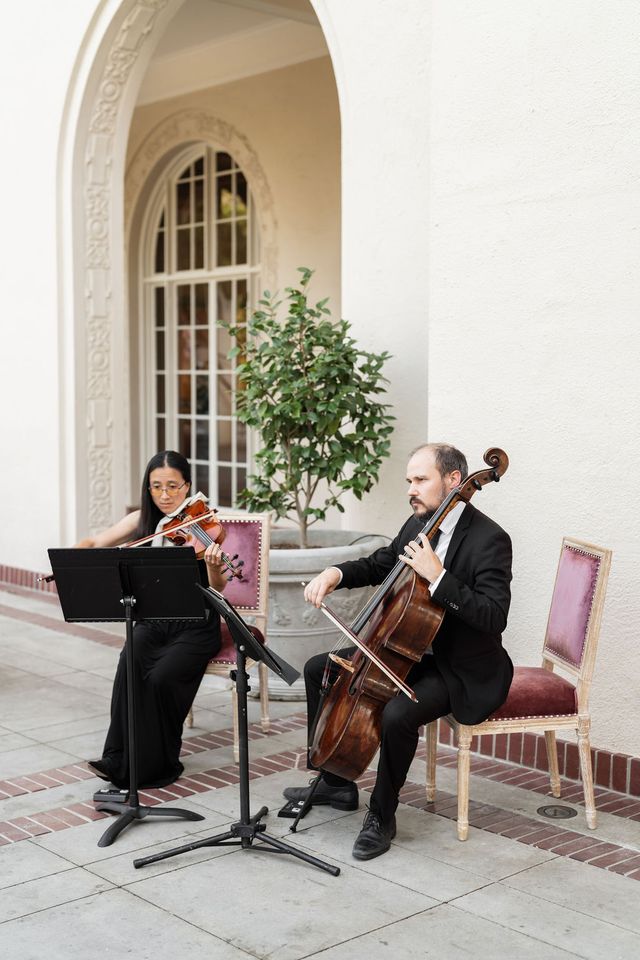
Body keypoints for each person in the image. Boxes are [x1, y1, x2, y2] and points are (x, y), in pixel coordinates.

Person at [283, 442, 513, 860]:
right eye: (410, 480)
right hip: (407, 652)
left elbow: (494, 616)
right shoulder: (419, 524)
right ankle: (336, 785)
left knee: (398, 714)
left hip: (459, 668)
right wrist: (336, 573)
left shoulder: (490, 539)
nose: (412, 488)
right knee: (323, 669)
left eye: (421, 479)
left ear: (453, 480)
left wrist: (440, 578)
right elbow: (383, 562)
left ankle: (382, 815)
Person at [77, 450, 228, 789]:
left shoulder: (204, 526)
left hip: (196, 624)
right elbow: (97, 542)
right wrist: (68, 560)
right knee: (128, 665)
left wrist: (215, 567)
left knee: (160, 678)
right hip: (154, 621)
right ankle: (117, 758)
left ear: (187, 486)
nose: (164, 495)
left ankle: (159, 763)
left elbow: (218, 588)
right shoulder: (141, 522)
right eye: (156, 486)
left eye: (173, 486)